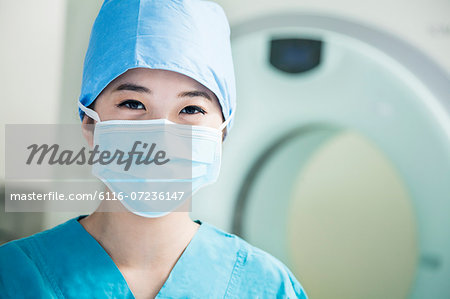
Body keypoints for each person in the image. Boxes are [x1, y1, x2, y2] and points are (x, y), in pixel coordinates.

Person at [0, 0, 309, 298]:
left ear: (222, 131)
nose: (161, 134)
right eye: (133, 104)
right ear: (90, 124)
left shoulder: (267, 286)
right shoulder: (14, 276)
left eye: (190, 108)